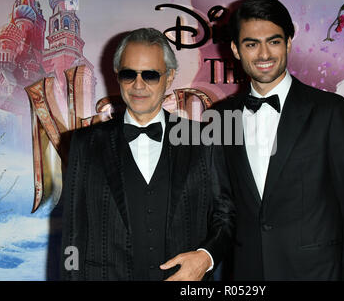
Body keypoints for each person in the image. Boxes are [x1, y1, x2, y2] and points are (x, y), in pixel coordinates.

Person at [213, 0, 344, 280]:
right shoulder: (220, 117)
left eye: (273, 41)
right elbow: (223, 209)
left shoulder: (332, 113)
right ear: (236, 50)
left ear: (288, 43)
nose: (264, 54)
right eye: (252, 44)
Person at [60, 28, 234, 281]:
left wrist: (205, 258)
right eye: (129, 74)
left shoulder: (204, 140)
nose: (138, 85)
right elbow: (73, 236)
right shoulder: (84, 144)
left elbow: (226, 217)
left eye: (151, 75)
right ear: (117, 76)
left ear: (170, 76)